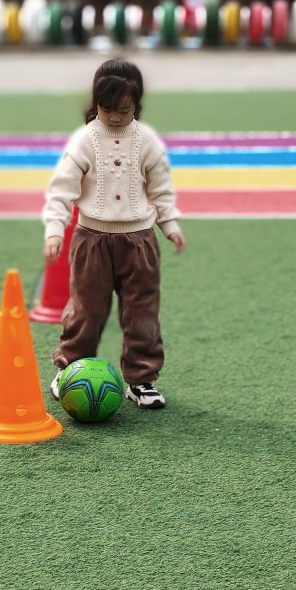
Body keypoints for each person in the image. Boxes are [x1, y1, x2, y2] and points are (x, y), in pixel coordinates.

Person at [43, 61, 186, 409]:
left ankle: (141, 380)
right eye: (107, 110)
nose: (116, 118)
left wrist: (170, 225)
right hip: (92, 240)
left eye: (124, 110)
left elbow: (161, 189)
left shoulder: (147, 141)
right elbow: (62, 190)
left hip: (139, 242)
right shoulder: (85, 140)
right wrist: (55, 230)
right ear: (96, 103)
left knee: (142, 312)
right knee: (86, 310)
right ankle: (70, 369)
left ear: (136, 104)